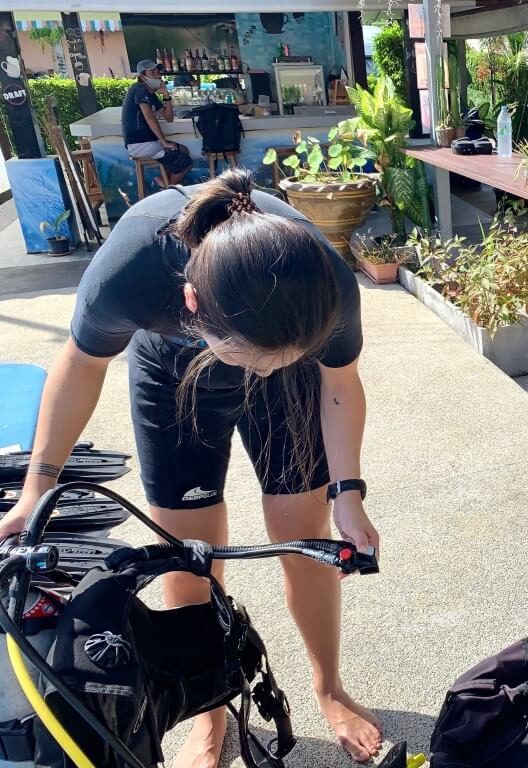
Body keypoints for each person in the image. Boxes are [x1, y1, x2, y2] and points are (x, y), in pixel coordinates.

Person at [0, 170, 382, 766]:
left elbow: (338, 383)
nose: (256, 374)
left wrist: (348, 492)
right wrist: (35, 489)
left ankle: (329, 686)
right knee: (188, 547)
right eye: (250, 362)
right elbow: (79, 367)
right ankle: (207, 712)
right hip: (173, 372)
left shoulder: (321, 284)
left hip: (291, 372)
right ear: (190, 301)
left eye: (272, 363)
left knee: (303, 535)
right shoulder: (132, 267)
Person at [122, 59, 193, 187]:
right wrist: (164, 141)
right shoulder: (139, 89)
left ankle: (163, 181)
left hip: (147, 142)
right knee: (186, 163)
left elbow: (168, 117)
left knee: (183, 150)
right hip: (140, 143)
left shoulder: (151, 94)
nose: (158, 74)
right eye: (152, 72)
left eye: (158, 71)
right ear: (142, 75)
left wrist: (166, 95)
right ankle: (167, 188)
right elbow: (149, 117)